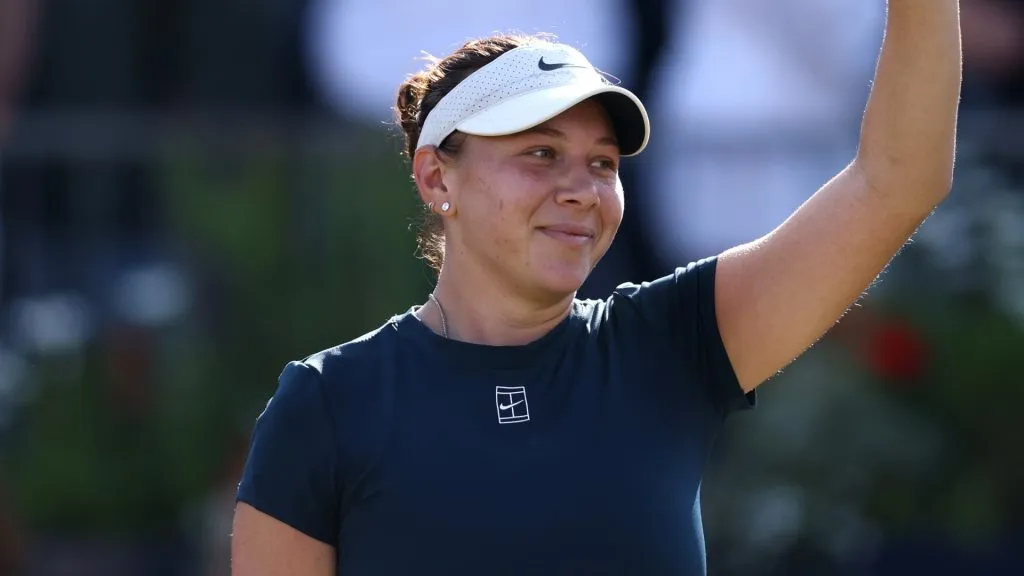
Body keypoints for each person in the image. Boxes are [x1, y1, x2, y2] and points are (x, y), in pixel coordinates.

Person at [231, 1, 963, 574]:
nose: (581, 190)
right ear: (435, 177)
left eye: (603, 162)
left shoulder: (672, 342)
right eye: (541, 154)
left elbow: (897, 184)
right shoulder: (324, 404)